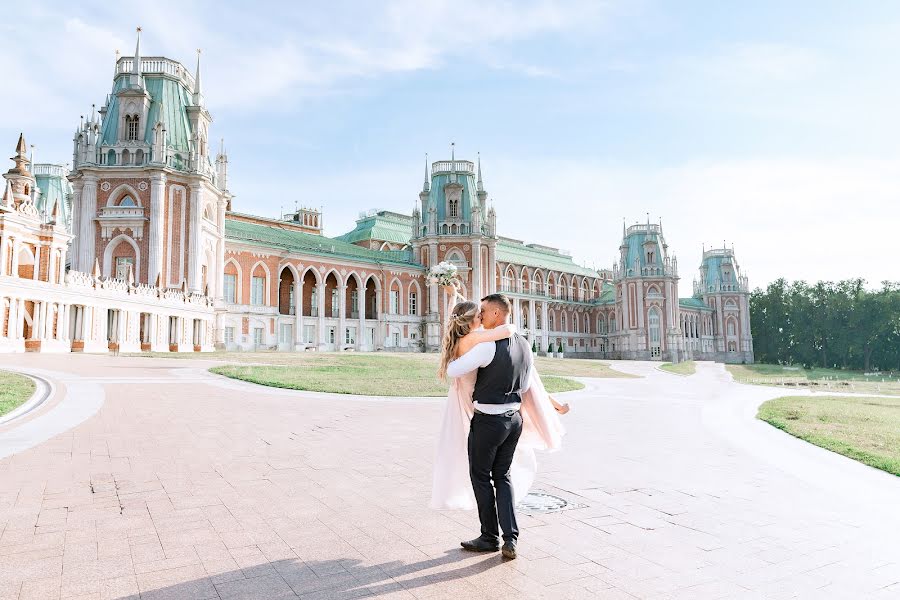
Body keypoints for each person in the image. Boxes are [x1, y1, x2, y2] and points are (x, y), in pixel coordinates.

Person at [431, 285, 566, 561]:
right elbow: (529, 385)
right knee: (502, 477)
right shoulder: (525, 345)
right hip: (513, 421)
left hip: (488, 422)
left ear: (495, 312)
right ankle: (511, 539)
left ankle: (489, 536)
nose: (480, 316)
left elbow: (454, 370)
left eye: (482, 311)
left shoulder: (486, 347)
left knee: (481, 477)